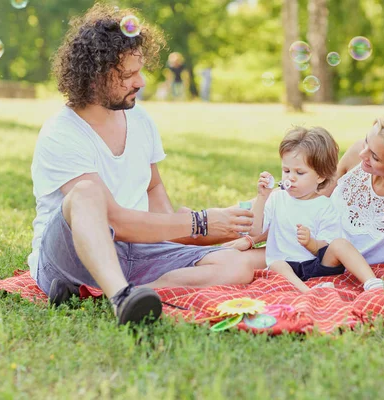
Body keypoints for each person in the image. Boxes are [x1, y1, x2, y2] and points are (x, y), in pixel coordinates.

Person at [28, 4, 255, 326]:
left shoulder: (139, 119)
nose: (141, 82)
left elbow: (152, 187)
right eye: (128, 75)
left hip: (135, 252)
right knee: (86, 193)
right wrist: (200, 223)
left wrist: (212, 232)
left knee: (237, 266)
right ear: (94, 75)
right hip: (68, 258)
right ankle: (120, 297)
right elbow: (115, 222)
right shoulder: (61, 133)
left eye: (140, 70)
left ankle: (130, 294)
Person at [226, 110, 384, 288]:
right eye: (366, 142)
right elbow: (311, 200)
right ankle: (193, 226)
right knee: (229, 225)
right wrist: (253, 236)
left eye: (374, 156)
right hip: (300, 237)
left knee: (233, 264)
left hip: (323, 262)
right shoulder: (357, 155)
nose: (362, 155)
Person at [249, 127, 384, 293]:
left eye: (299, 172)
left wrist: (311, 243)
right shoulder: (276, 199)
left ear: (320, 176)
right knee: (276, 264)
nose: (290, 177)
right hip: (287, 268)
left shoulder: (324, 206)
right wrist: (262, 197)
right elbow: (255, 230)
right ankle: (308, 291)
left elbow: (326, 247)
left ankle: (372, 283)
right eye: (286, 171)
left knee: (341, 244)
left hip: (316, 265)